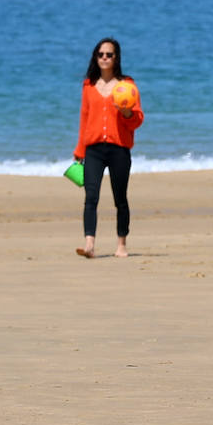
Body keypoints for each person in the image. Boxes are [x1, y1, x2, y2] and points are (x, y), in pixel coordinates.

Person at [73, 37, 144, 259]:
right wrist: (79, 152)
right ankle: (89, 244)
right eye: (101, 54)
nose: (105, 58)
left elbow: (138, 120)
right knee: (91, 196)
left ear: (116, 58)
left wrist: (126, 113)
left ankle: (121, 244)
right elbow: (84, 119)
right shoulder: (88, 86)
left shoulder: (127, 86)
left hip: (119, 149)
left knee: (120, 198)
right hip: (93, 148)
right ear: (96, 57)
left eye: (109, 55)